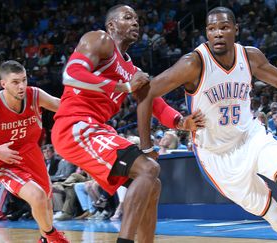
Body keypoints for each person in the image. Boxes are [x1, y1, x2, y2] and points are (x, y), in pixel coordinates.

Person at [137, 7, 277, 243]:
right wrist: (156, 139)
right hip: (216, 155)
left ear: (235, 29)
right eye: (211, 29)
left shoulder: (250, 56)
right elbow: (146, 94)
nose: (218, 33)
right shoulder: (193, 63)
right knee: (275, 216)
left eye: (224, 27)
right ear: (206, 34)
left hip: (250, 137)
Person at [51, 4, 204, 243]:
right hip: (75, 125)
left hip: (96, 128)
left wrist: (181, 122)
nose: (135, 22)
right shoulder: (99, 40)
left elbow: (155, 103)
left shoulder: (132, 69)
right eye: (128, 17)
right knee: (149, 168)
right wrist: (123, 87)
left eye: (137, 19)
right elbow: (71, 75)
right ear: (112, 26)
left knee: (152, 184)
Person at [0, 60, 68, 242]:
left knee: (46, 204)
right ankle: (53, 237)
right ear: (3, 84)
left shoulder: (34, 95)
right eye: (15, 82)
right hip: (3, 160)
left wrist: (93, 103)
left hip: (31, 154)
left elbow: (63, 106)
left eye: (24, 80)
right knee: (37, 196)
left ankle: (44, 239)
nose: (21, 86)